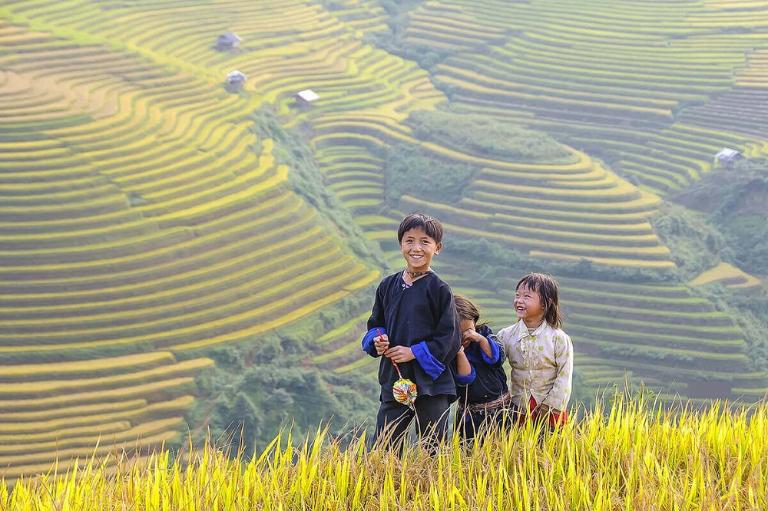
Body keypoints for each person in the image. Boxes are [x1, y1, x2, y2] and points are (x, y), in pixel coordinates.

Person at [361, 212, 461, 453]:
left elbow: (450, 337)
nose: (416, 248)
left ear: (437, 248)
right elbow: (375, 323)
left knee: (433, 449)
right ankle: (384, 490)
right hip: (395, 380)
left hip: (431, 384)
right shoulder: (387, 286)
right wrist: (378, 340)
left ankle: (433, 490)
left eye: (424, 242)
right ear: (401, 245)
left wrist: (413, 352)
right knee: (384, 449)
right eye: (409, 240)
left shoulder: (440, 290)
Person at [497, 273, 573, 428]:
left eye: (527, 296)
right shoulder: (506, 335)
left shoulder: (558, 338)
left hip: (552, 411)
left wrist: (550, 407)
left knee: (552, 449)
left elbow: (564, 376)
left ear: (545, 303)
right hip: (519, 408)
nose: (519, 300)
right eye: (517, 295)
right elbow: (493, 364)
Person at [453, 294, 511, 443]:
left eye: (469, 330)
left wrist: (479, 339)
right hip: (470, 416)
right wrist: (460, 352)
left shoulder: (484, 333)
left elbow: (496, 358)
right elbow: (466, 378)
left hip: (501, 410)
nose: (466, 337)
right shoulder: (449, 351)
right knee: (469, 455)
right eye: (459, 334)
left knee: (501, 452)